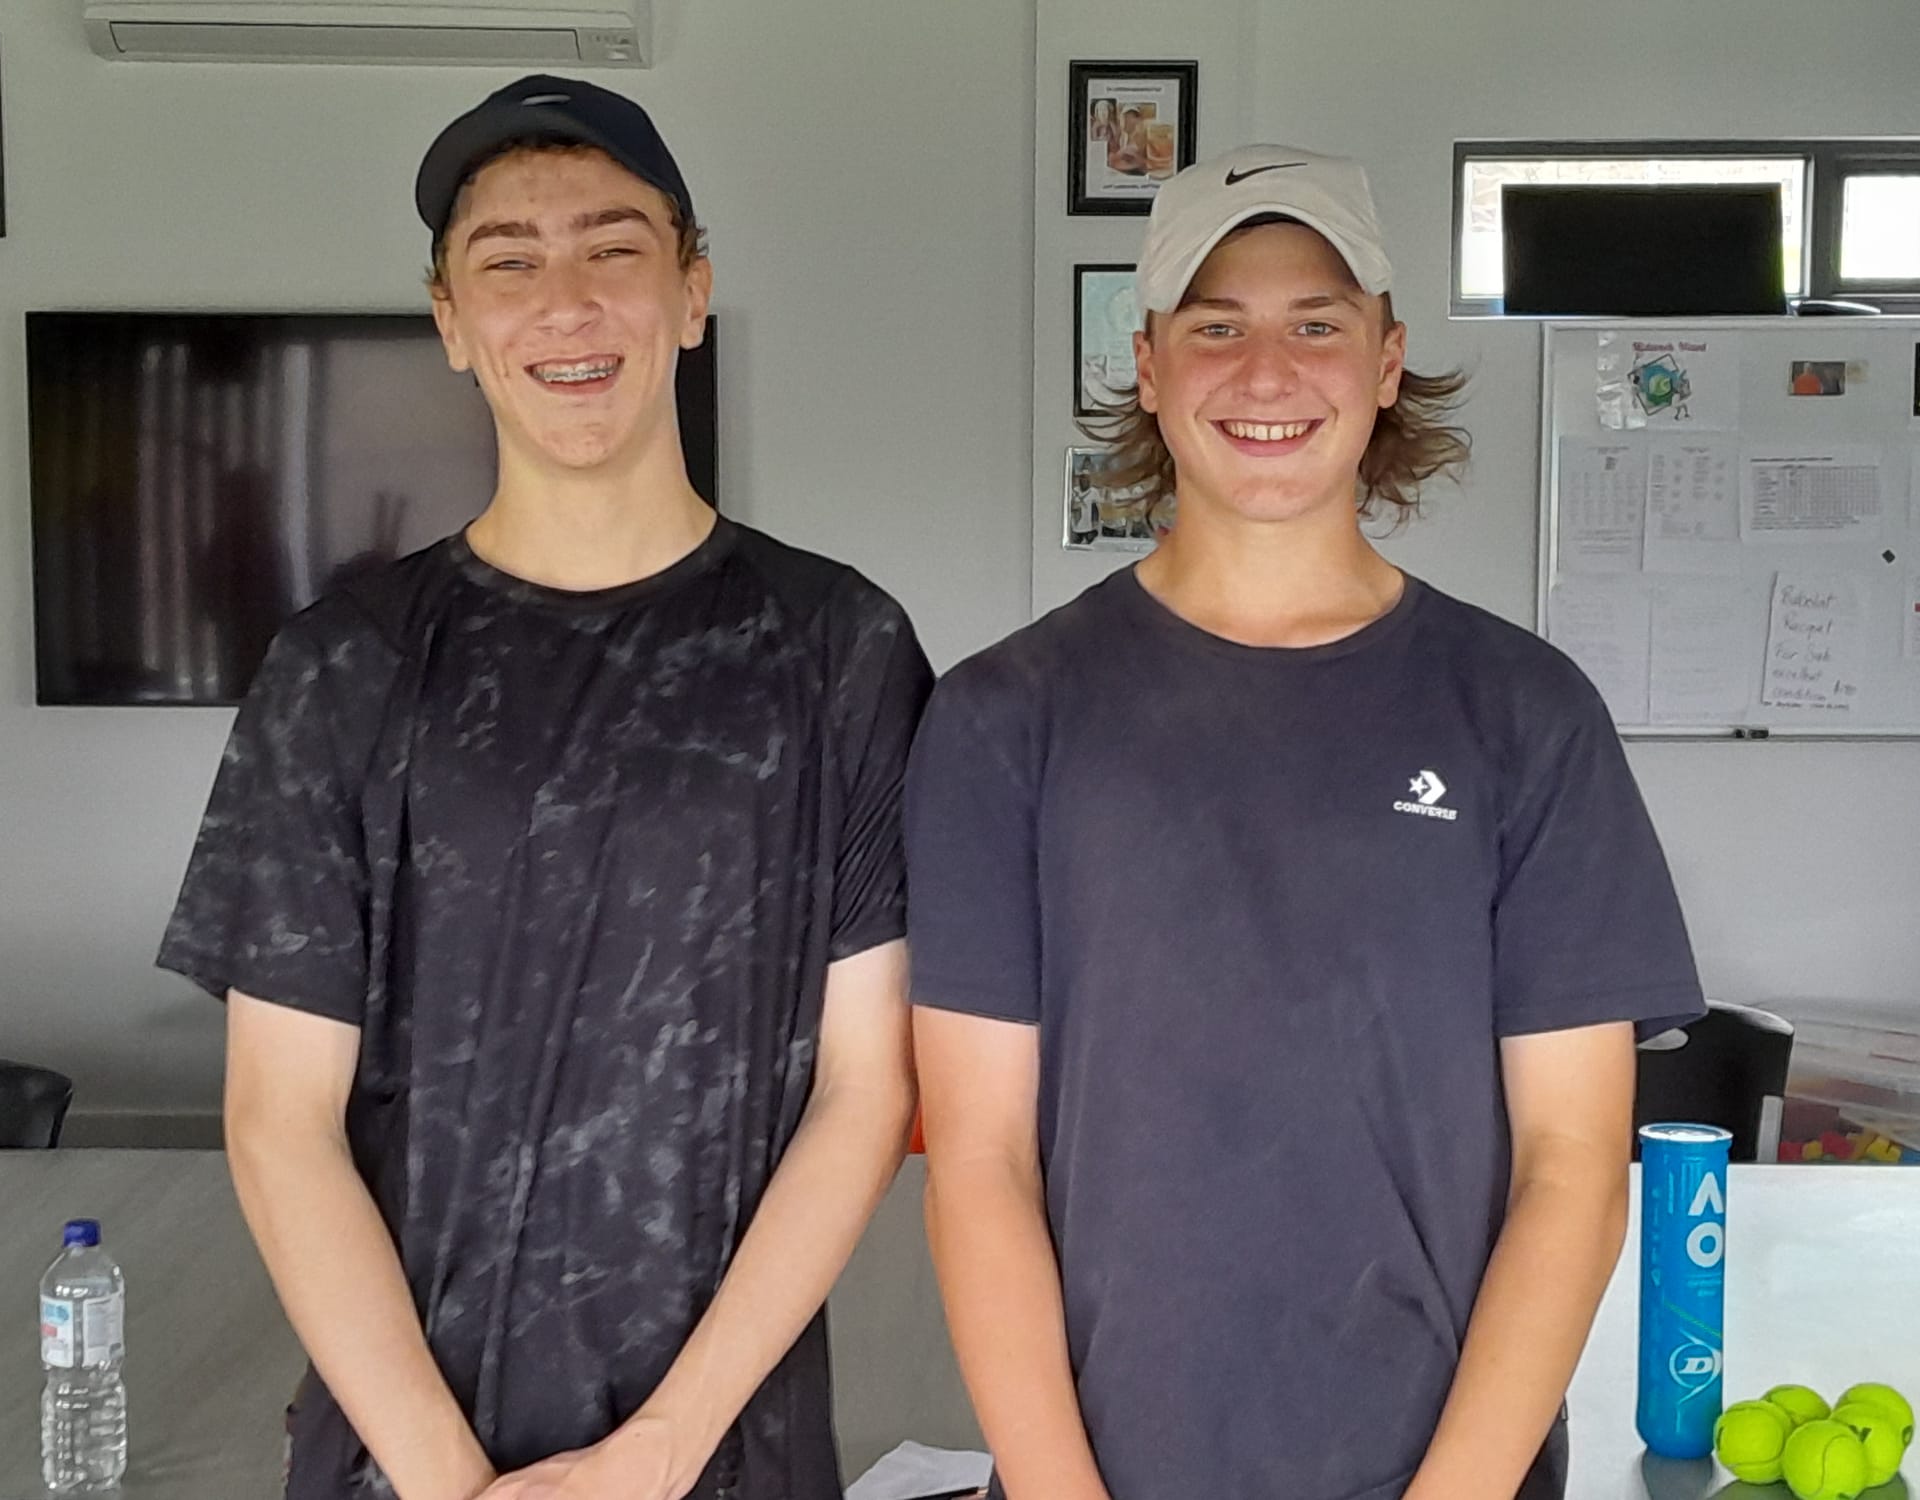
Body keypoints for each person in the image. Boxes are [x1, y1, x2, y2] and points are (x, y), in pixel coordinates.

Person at [159, 74, 931, 1500]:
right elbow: (278, 1118)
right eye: (507, 262)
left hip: (725, 1450)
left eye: (613, 249)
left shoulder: (842, 649)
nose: (564, 302)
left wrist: (657, 1453)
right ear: (452, 322)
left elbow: (866, 1089)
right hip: (397, 1454)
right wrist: (448, 1481)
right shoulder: (343, 668)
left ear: (692, 293)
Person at [905, 145, 1705, 1500]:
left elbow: (1575, 1167)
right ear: (1149, 366)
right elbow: (977, 1164)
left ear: (1386, 361)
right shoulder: (1003, 718)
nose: (1266, 375)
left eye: (1315, 325)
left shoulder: (1521, 711)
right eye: (1217, 326)